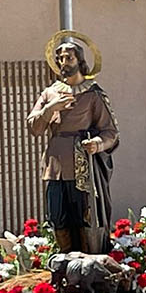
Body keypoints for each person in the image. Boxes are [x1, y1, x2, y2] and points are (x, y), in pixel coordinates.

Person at [27, 37, 119, 251]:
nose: (63, 63)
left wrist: (97, 143)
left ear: (79, 60)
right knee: (58, 216)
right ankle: (66, 261)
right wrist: (51, 109)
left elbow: (111, 131)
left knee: (85, 218)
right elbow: (34, 126)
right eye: (59, 59)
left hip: (82, 165)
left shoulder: (93, 93)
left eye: (68, 57)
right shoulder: (50, 93)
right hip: (55, 165)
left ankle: (90, 259)